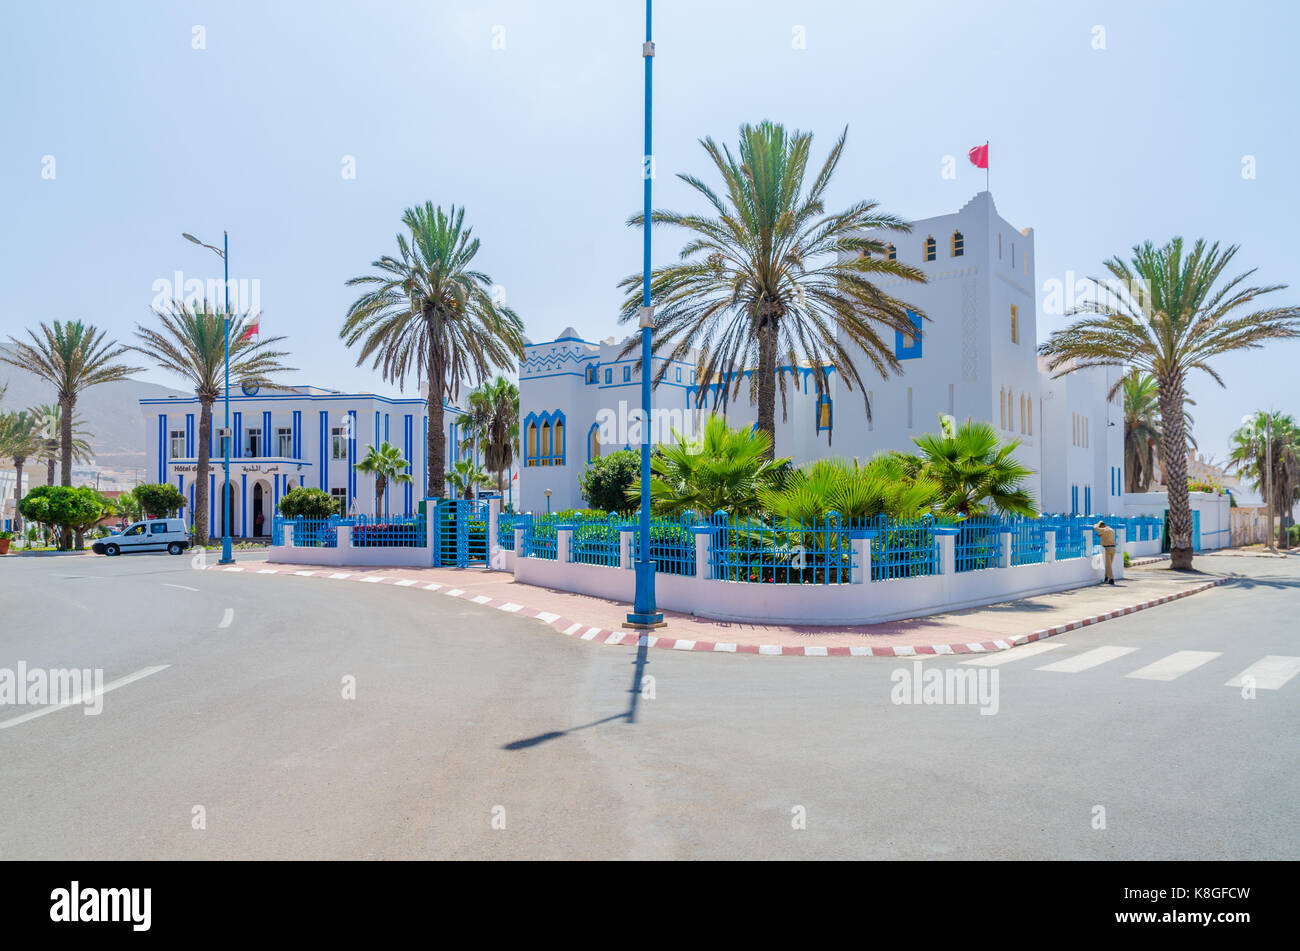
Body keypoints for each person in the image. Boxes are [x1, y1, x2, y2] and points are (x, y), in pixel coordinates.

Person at [1093, 518, 1117, 585]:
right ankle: (1106, 578)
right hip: (1113, 548)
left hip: (1107, 549)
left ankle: (1111, 579)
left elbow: (1095, 528)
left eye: (1100, 526)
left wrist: (1095, 525)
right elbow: (1106, 536)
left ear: (1101, 526)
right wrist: (1101, 535)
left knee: (1107, 565)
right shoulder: (1111, 530)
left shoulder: (1104, 530)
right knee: (1109, 565)